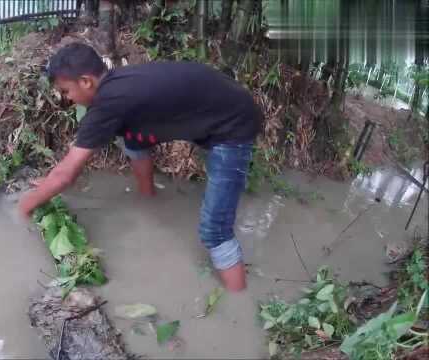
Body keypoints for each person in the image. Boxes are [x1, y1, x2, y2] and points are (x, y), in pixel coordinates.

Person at [18, 43, 262, 291]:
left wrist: (26, 206)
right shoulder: (118, 84)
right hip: (225, 102)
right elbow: (69, 169)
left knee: (215, 230)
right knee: (132, 138)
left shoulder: (108, 105)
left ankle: (237, 297)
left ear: (85, 81)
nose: (67, 99)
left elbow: (66, 174)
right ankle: (147, 197)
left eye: (66, 91)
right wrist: (48, 184)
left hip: (235, 125)